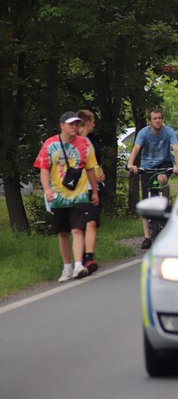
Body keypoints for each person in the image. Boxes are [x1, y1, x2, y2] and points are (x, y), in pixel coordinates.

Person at [34, 111, 99, 282]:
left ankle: (79, 265)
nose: (75, 127)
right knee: (63, 233)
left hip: (79, 195)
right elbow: (44, 169)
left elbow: (91, 168)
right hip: (58, 196)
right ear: (62, 125)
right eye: (71, 124)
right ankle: (67, 267)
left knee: (77, 229)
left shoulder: (85, 144)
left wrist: (95, 191)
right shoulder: (50, 144)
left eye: (77, 124)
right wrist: (46, 189)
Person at [127, 108, 178, 249]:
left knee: (162, 179)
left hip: (164, 163)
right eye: (154, 119)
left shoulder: (169, 131)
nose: (158, 121)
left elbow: (176, 148)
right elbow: (136, 148)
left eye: (159, 118)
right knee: (146, 201)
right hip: (147, 166)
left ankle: (166, 202)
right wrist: (131, 164)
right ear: (150, 121)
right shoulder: (143, 133)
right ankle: (147, 237)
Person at [76, 109, 106, 273]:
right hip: (78, 188)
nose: (94, 125)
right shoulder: (73, 141)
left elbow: (96, 162)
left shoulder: (93, 140)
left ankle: (89, 257)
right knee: (79, 225)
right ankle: (78, 259)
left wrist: (101, 172)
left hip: (94, 187)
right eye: (93, 121)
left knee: (92, 222)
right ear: (87, 122)